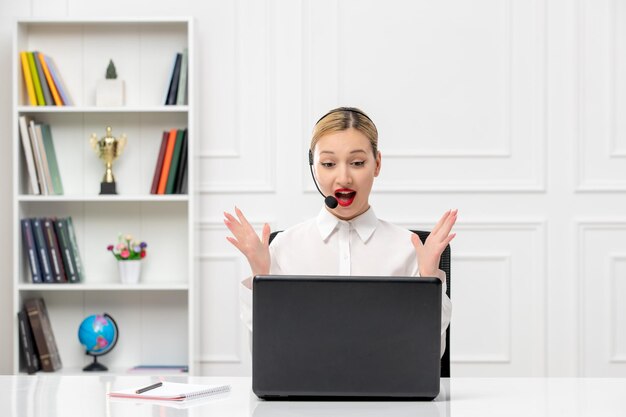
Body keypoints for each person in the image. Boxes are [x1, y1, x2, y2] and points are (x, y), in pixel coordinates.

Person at [224, 107, 456, 357]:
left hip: (389, 395)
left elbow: (430, 354)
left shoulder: (408, 247)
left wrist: (429, 279)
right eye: (328, 164)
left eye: (357, 163)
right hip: (303, 392)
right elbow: (266, 353)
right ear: (314, 166)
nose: (343, 178)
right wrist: (261, 275)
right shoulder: (284, 246)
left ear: (377, 164)